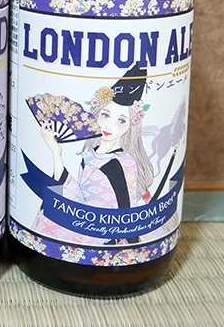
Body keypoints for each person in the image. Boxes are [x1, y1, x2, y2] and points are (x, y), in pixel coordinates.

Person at [33, 65, 154, 245]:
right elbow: (77, 195)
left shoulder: (124, 163)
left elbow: (126, 207)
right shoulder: (89, 156)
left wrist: (130, 244)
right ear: (96, 115)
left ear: (131, 126)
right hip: (82, 224)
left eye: (121, 120)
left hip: (106, 234)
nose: (109, 126)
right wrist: (56, 152)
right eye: (105, 115)